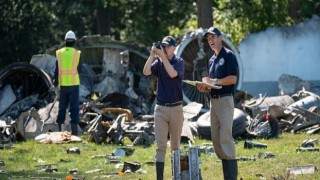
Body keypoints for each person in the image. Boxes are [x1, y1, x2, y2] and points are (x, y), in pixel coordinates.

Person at [196, 27, 239, 180]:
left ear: (220, 38)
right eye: (209, 39)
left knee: (225, 137)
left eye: (213, 37)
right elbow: (213, 86)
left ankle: (231, 177)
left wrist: (213, 81)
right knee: (216, 140)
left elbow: (233, 79)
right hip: (213, 102)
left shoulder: (228, 55)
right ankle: (226, 174)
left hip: (226, 101)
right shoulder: (211, 60)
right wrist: (204, 87)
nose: (211, 41)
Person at [143, 36, 184, 180]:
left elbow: (172, 73)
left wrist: (162, 57)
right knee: (160, 146)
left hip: (176, 109)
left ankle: (176, 176)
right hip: (160, 109)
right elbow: (146, 71)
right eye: (164, 46)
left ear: (174, 47)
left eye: (167, 46)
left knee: (175, 147)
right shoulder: (159, 62)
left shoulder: (179, 62)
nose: (165, 49)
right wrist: (152, 55)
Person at [53, 30, 82, 136]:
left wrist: (55, 82)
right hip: (74, 85)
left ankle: (59, 131)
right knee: (74, 109)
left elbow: (56, 70)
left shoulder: (59, 53)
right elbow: (80, 70)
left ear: (65, 41)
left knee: (62, 108)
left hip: (63, 85)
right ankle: (75, 133)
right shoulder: (77, 54)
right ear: (74, 41)